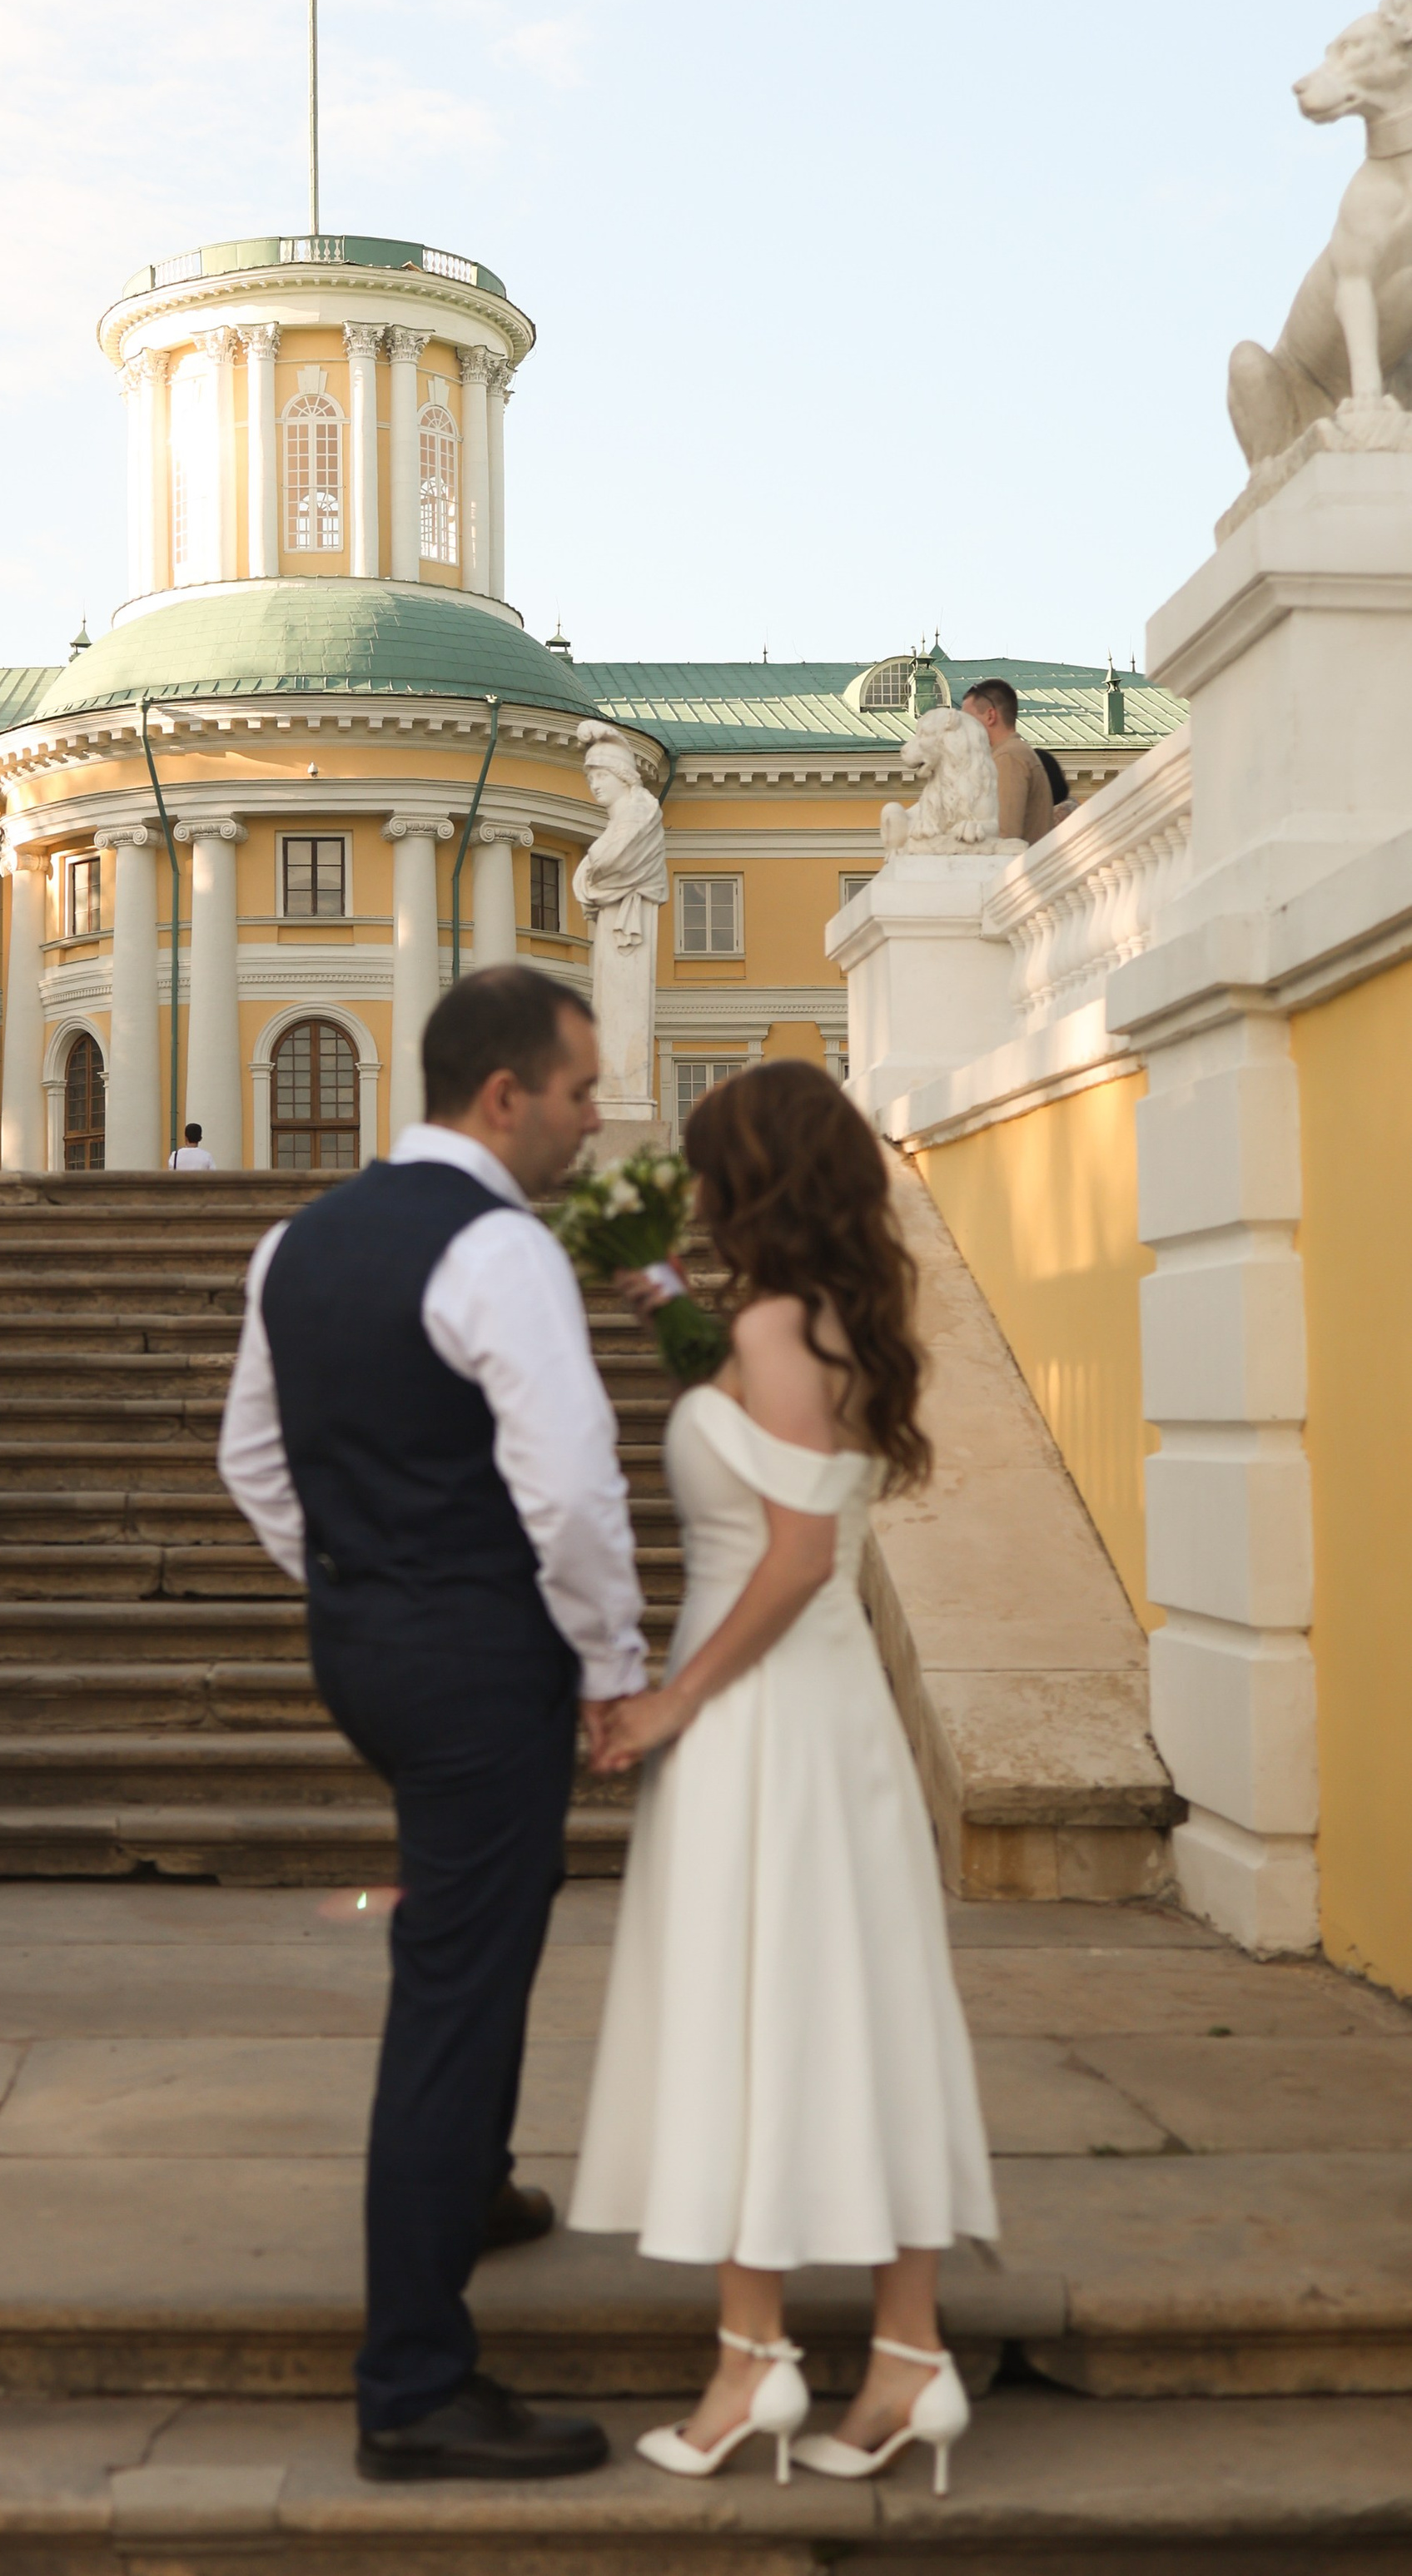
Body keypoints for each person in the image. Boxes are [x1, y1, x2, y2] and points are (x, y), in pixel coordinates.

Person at [218, 964, 646, 2483]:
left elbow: (251, 1458)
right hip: (479, 1653)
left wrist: (359, 1577)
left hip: (369, 1641)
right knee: (457, 1977)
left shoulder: (298, 1239)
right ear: (505, 1093)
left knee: (490, 1908)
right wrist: (612, 1662)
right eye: (584, 1090)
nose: (598, 1119)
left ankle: (469, 2186)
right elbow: (573, 1486)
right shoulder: (499, 1246)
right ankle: (413, 2374)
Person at [569, 1060, 995, 2497]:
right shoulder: (815, 1323)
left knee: (756, 2008)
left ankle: (757, 2356)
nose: (688, 1186)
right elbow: (756, 1427)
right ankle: (905, 2352)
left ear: (748, 1177)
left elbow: (800, 1554)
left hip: (759, 1709)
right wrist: (656, 1301)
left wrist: (671, 1699)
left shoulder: (773, 1325)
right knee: (852, 2008)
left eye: (703, 1164)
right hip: (822, 1711)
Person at [960, 678, 1055, 844]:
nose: (963, 729)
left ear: (990, 716)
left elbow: (1005, 836)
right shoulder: (1009, 754)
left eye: (967, 721)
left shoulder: (1008, 757)